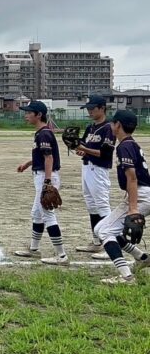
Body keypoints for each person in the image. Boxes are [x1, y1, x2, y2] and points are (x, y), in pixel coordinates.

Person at [95, 109, 150, 284]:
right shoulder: (131, 144)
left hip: (140, 195)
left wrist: (133, 208)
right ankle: (142, 257)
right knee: (100, 229)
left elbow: (132, 177)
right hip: (141, 193)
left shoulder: (124, 146)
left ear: (117, 125)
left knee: (105, 231)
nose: (111, 125)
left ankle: (127, 277)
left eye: (112, 122)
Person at [14, 101, 69, 265]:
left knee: (47, 214)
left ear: (38, 115)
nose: (26, 115)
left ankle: (62, 255)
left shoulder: (44, 133)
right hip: (43, 174)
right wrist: (29, 163)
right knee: (37, 214)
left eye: (29, 112)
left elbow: (49, 158)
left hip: (46, 176)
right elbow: (42, 156)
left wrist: (47, 181)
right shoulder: (41, 133)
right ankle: (33, 249)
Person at [72, 95, 114, 260]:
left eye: (93, 108)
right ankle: (97, 242)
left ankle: (109, 245)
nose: (89, 111)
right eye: (88, 108)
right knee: (92, 206)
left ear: (102, 108)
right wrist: (79, 149)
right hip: (87, 168)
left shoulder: (109, 128)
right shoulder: (90, 128)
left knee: (103, 206)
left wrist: (85, 149)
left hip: (99, 170)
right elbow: (83, 147)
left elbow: (105, 153)